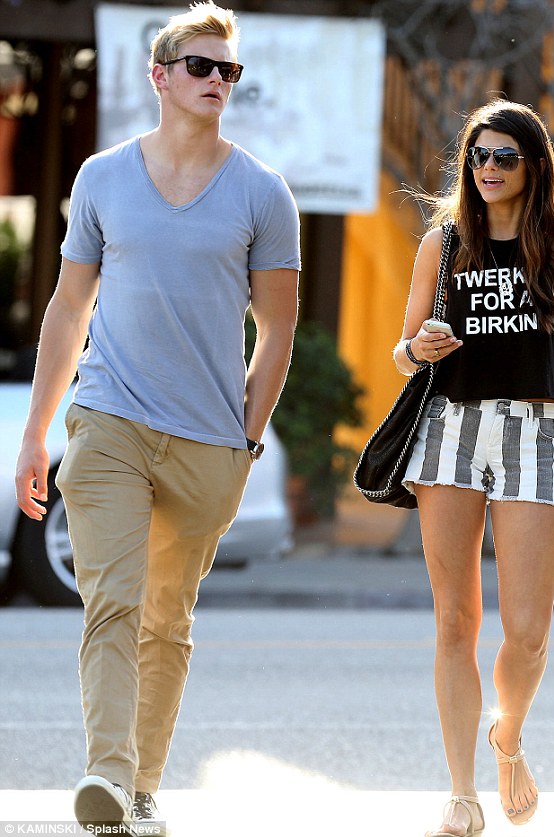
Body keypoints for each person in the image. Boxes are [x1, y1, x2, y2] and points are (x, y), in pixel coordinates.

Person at [14, 3, 300, 834]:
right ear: (161, 77)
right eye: (201, 66)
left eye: (228, 70)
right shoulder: (103, 178)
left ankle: (141, 786)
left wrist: (247, 439)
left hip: (210, 440)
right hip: (108, 420)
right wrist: (35, 431)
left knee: (166, 619)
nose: (217, 81)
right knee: (112, 601)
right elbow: (69, 308)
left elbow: (278, 329)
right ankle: (106, 774)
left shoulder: (263, 193)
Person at [393, 99, 554, 836]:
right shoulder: (444, 241)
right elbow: (404, 350)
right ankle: (462, 794)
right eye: (478, 156)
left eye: (504, 157)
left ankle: (508, 734)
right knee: (455, 619)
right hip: (451, 429)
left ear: (533, 165)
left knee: (526, 631)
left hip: (534, 430)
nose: (487, 168)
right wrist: (418, 348)